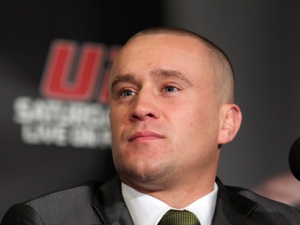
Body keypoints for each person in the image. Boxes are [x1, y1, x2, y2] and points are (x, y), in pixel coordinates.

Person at [2, 27, 300, 225]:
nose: (140, 108)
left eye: (170, 88)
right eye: (126, 93)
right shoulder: (46, 220)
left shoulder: (280, 221)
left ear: (227, 123)